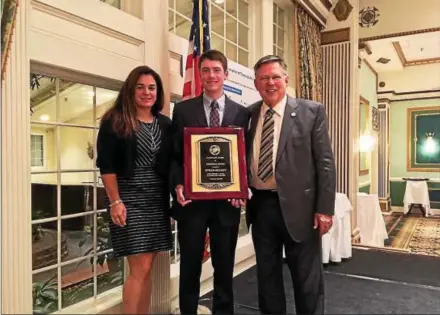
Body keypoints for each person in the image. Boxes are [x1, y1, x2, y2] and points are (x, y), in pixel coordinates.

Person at [246, 55, 336, 315]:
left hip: (302, 209)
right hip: (261, 207)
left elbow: (325, 164)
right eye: (264, 78)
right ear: (256, 83)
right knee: (267, 280)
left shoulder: (311, 111)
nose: (270, 82)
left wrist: (325, 209)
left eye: (275, 76)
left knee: (307, 281)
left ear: (286, 79)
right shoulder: (249, 114)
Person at [170, 49, 250, 314]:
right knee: (190, 266)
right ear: (199, 74)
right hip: (192, 205)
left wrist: (242, 187)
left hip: (226, 206)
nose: (211, 75)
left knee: (225, 268)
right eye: (206, 70)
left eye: (217, 70)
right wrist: (179, 184)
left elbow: (244, 158)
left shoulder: (242, 114)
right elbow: (174, 157)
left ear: (226, 74)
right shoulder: (182, 111)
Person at [96, 65, 173, 314]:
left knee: (146, 267)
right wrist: (115, 201)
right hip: (129, 200)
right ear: (130, 90)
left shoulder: (165, 123)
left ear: (158, 92)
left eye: (151, 87)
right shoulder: (114, 121)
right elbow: (106, 165)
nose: (146, 92)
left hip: (157, 201)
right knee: (138, 269)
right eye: (140, 87)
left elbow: (175, 161)